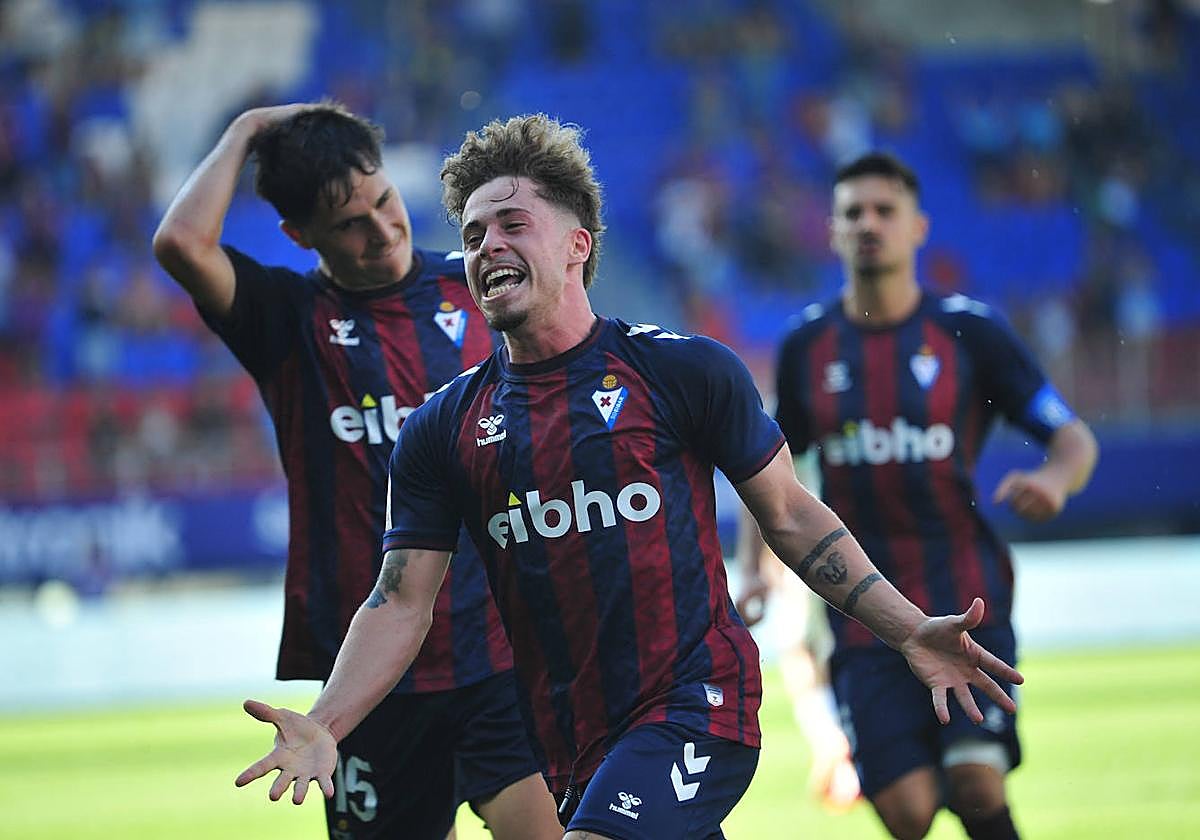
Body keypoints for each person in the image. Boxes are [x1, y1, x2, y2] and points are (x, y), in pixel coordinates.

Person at [233, 115, 1025, 840]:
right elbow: (400, 600)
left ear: (577, 244)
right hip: (571, 741)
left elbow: (788, 514)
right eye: (473, 235)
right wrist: (327, 720)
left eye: (513, 225)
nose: (486, 247)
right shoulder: (441, 428)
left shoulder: (681, 371)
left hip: (697, 705)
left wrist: (905, 628)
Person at [152, 103, 561, 840]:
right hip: (370, 680)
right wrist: (246, 129)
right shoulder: (287, 319)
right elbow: (180, 242)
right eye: (349, 224)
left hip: (500, 654)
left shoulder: (478, 289)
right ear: (300, 235)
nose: (382, 230)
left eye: (384, 199)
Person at [738, 151, 1098, 840]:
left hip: (967, 598)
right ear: (833, 231)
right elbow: (768, 469)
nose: (868, 224)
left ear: (918, 227)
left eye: (885, 211)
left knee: (975, 780)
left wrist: (1055, 481)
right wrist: (755, 568)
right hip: (861, 614)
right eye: (853, 213)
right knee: (906, 813)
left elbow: (1073, 438)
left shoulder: (970, 331)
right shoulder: (807, 344)